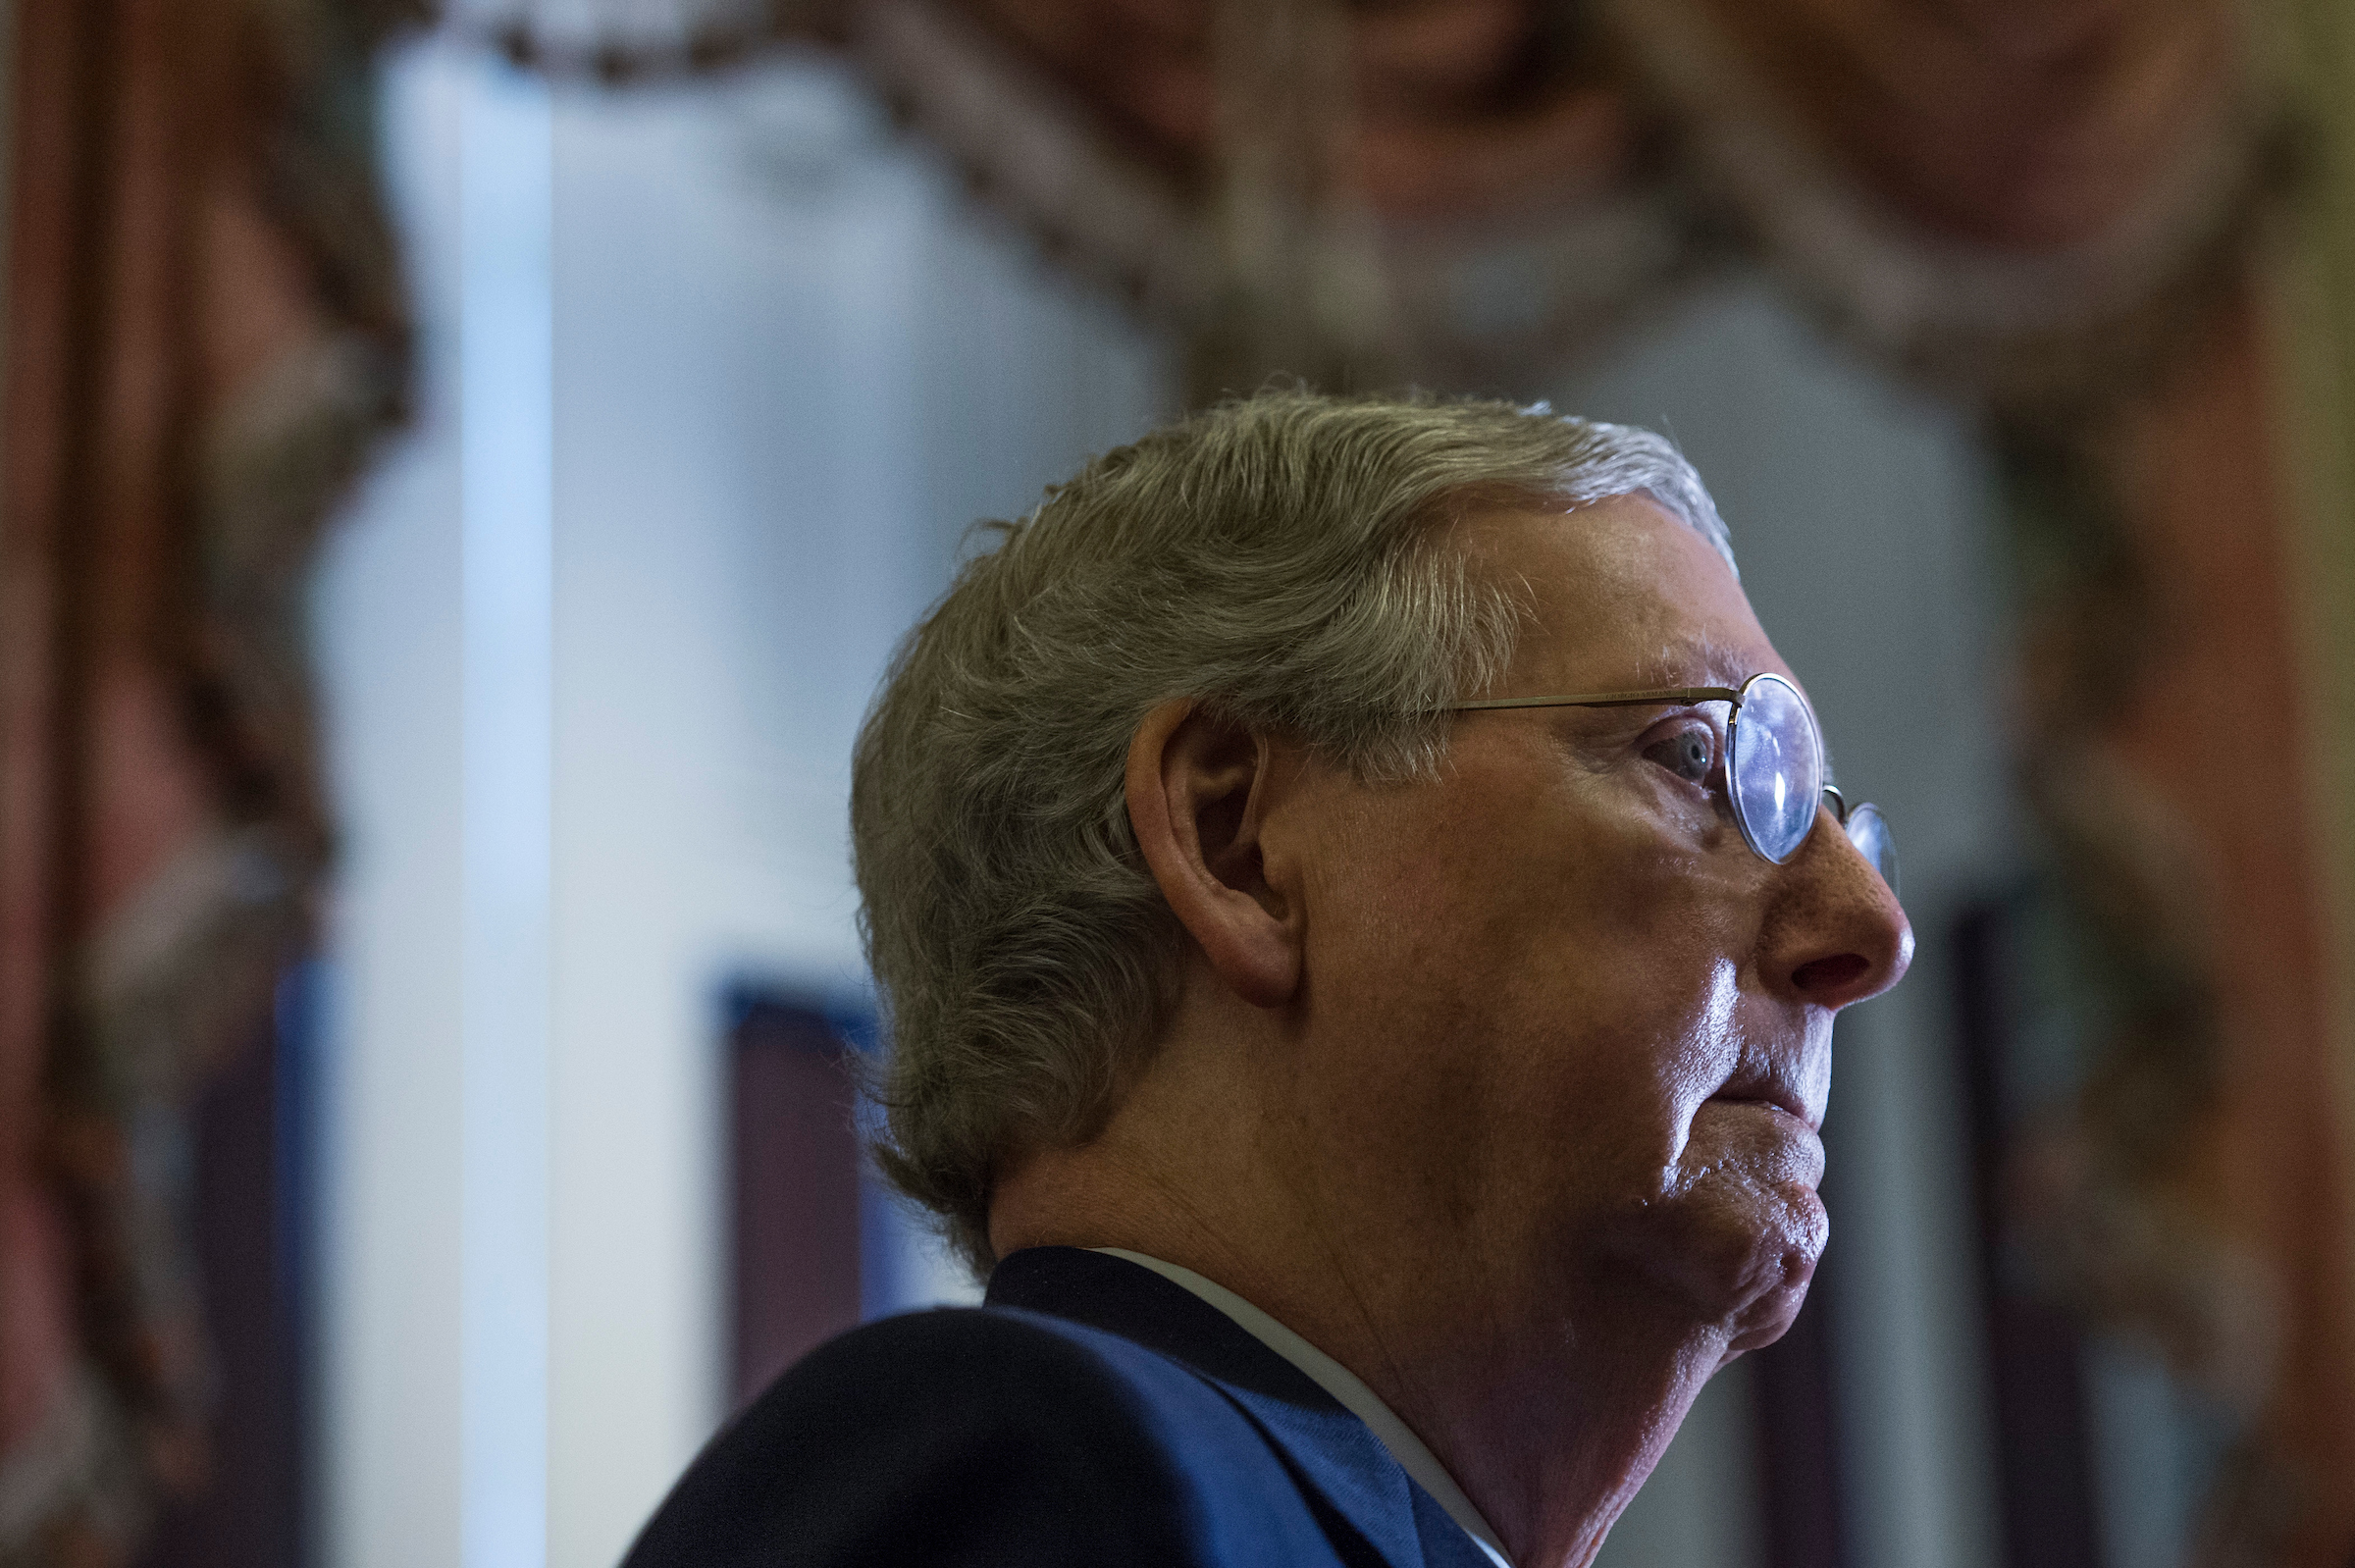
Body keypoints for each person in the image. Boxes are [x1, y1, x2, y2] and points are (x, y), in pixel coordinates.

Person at [623, 391, 1911, 1568]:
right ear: (1238, 843)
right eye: (1699, 758)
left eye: (1832, 822)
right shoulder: (1041, 1481)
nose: (1870, 928)